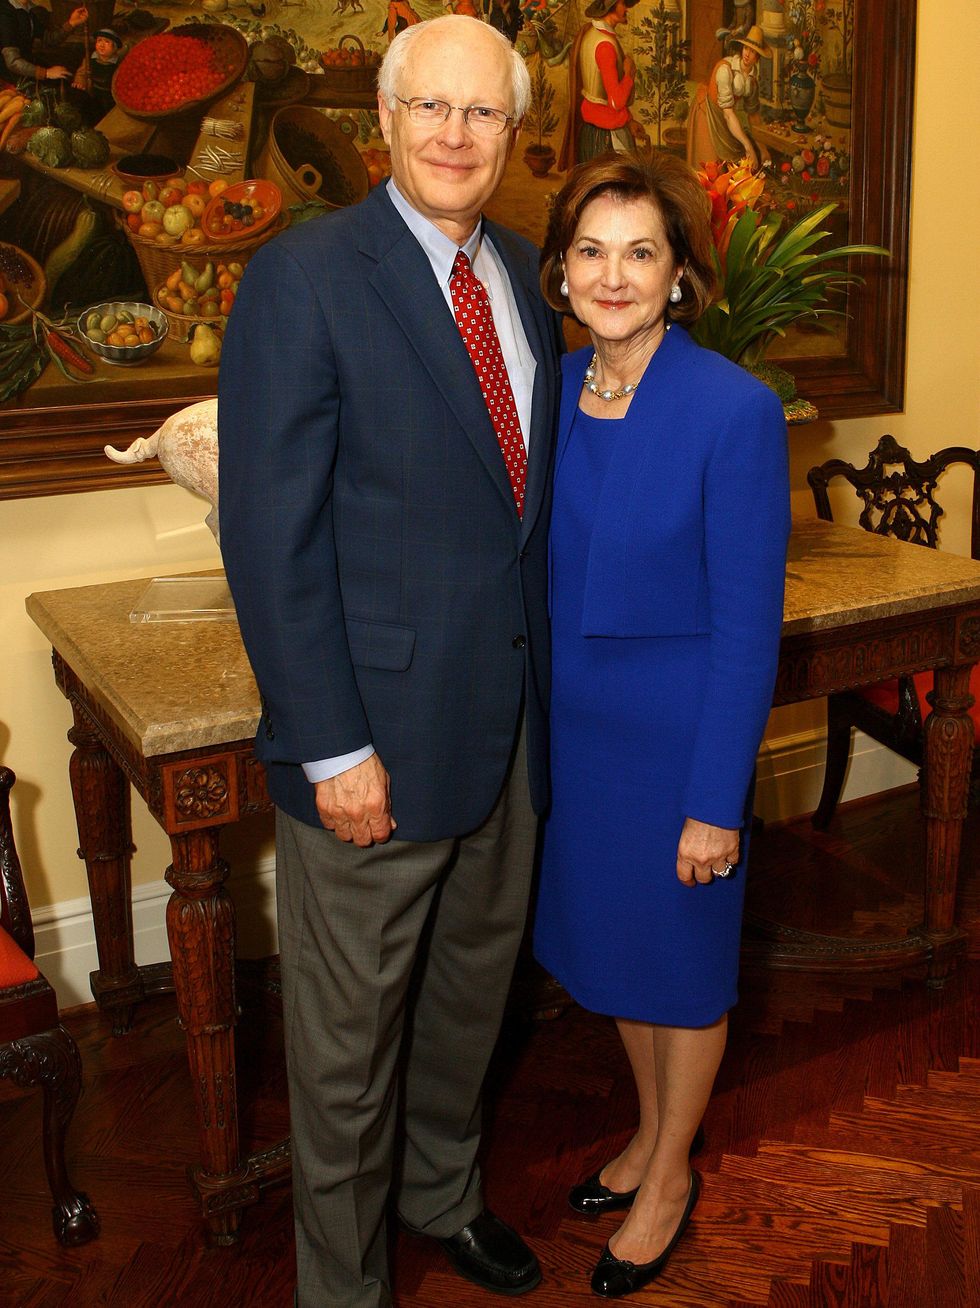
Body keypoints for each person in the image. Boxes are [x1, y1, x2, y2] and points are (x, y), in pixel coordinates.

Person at [218, 15, 562, 1308]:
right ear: (384, 122)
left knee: (470, 1006)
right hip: (371, 746)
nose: (455, 136)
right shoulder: (305, 279)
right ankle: (343, 1286)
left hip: (507, 737)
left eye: (483, 115)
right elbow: (269, 532)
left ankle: (441, 1196)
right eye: (431, 108)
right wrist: (330, 745)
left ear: (513, 136)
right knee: (348, 1049)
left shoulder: (531, 273)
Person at [534, 150, 789, 1299]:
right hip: (581, 744)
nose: (614, 274)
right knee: (620, 959)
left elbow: (746, 626)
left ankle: (670, 1174)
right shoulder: (551, 392)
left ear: (678, 275)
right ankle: (644, 1133)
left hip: (675, 741)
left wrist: (711, 800)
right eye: (591, 251)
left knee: (681, 972)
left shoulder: (730, 409)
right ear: (559, 273)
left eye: (641, 252)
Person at [557, 0, 647, 172]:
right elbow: (615, 102)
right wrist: (629, 74)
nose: (627, 8)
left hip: (595, 128)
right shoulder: (605, 45)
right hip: (606, 137)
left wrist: (628, 120)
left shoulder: (592, 32)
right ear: (610, 7)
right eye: (623, 4)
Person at [686, 23, 772, 171]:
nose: (747, 54)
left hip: (726, 117)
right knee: (709, 168)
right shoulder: (725, 69)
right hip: (707, 113)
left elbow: (753, 116)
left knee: (731, 165)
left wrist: (762, 148)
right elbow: (728, 113)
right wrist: (748, 146)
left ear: (757, 57)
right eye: (746, 48)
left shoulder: (752, 80)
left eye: (753, 52)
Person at [0, 0, 87, 84]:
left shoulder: (28, 10)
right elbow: (12, 62)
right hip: (9, 74)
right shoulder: (5, 12)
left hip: (26, 65)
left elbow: (49, 39)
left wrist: (71, 23)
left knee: (65, 77)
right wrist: (46, 73)